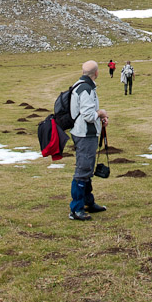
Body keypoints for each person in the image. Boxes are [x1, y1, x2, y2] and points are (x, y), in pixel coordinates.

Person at [69, 60, 109, 221]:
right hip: (85, 135)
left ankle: (88, 203)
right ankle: (76, 209)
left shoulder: (81, 85)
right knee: (83, 170)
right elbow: (88, 115)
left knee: (87, 169)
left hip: (86, 133)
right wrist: (100, 113)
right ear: (96, 73)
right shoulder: (85, 89)